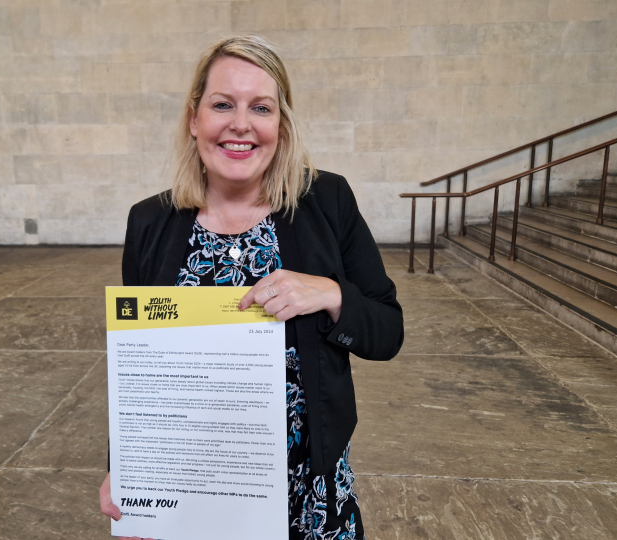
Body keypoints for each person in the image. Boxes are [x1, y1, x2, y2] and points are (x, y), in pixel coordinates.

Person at [99, 35, 403, 540]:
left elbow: (387, 331)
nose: (240, 124)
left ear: (280, 125)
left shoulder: (326, 201)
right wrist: (129, 470)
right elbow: (138, 365)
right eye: (223, 104)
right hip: (196, 488)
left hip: (309, 488)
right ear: (194, 118)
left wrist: (331, 294)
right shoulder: (150, 222)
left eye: (260, 107)